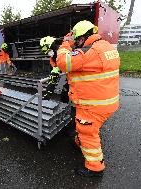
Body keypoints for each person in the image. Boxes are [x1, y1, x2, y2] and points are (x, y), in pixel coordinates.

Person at [55, 20, 120, 177]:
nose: (75, 43)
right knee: (85, 129)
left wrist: (65, 44)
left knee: (88, 133)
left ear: (83, 37)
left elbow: (63, 63)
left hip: (92, 105)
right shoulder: (107, 47)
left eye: (77, 40)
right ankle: (80, 142)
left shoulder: (88, 50)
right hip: (107, 102)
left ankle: (94, 167)